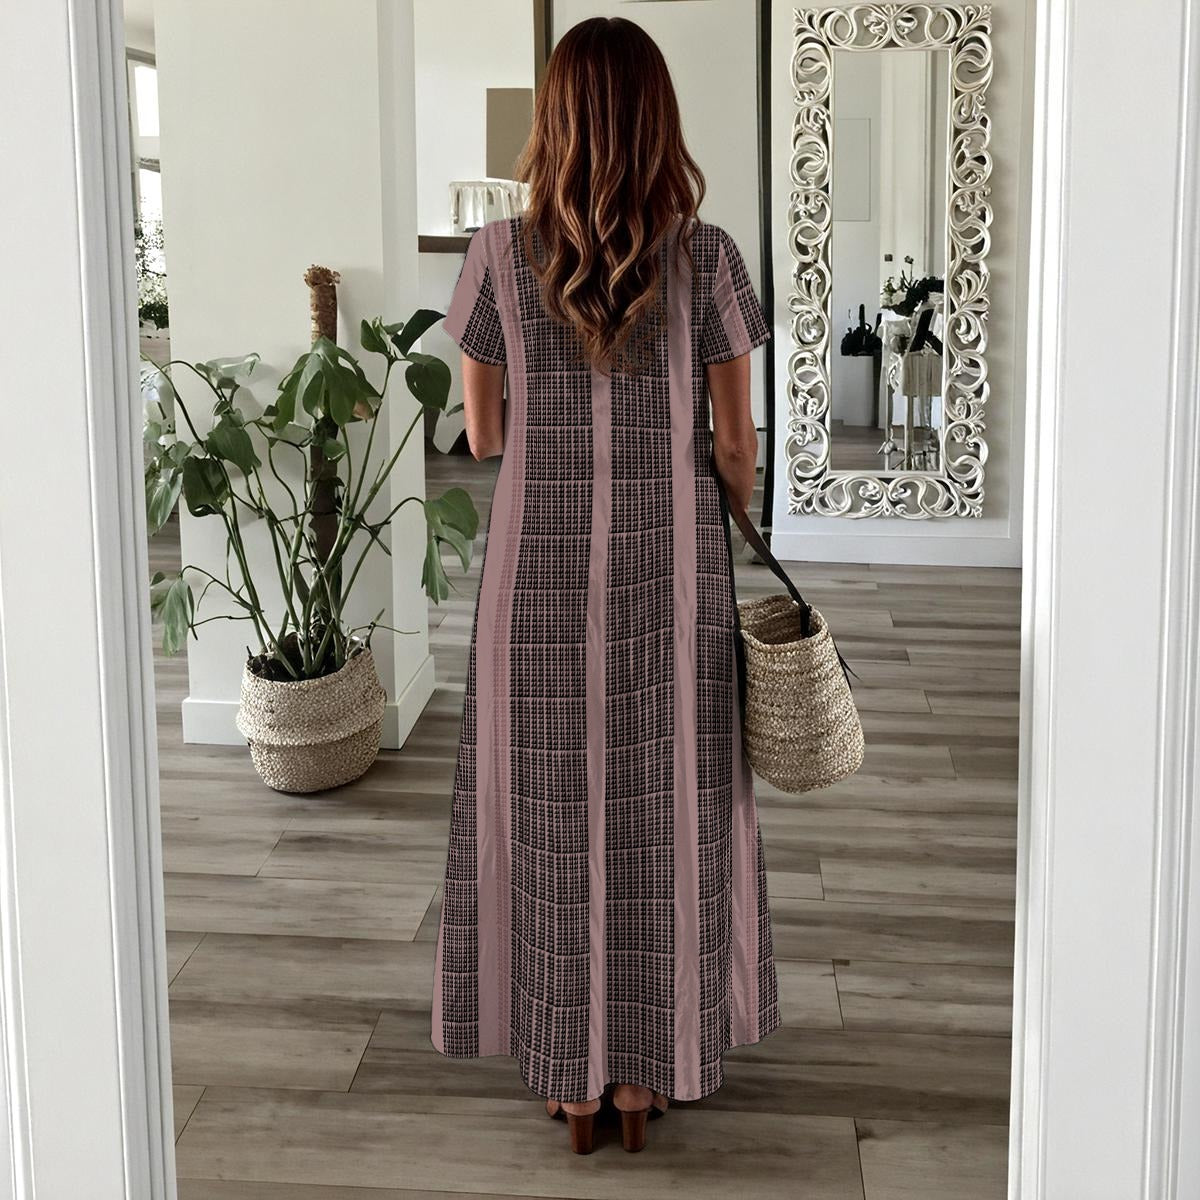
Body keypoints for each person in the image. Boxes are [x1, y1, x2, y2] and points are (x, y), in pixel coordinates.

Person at [431, 15, 780, 1155]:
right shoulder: (708, 257)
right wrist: (727, 498)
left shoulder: (495, 255)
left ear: (555, 122)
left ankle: (569, 1077)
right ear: (658, 122)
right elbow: (737, 447)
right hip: (672, 573)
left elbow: (485, 437)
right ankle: (645, 1073)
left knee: (545, 812)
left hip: (532, 576)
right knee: (667, 809)